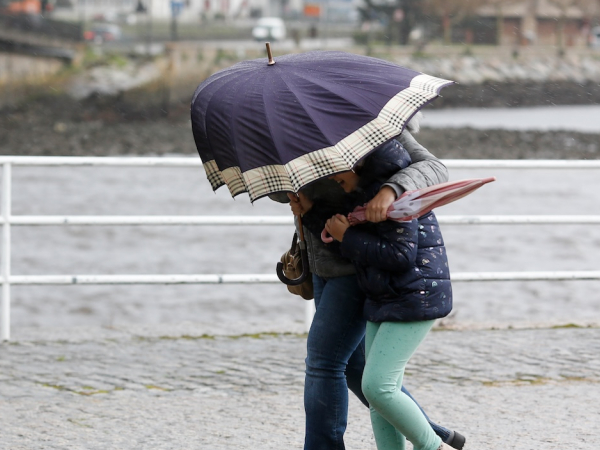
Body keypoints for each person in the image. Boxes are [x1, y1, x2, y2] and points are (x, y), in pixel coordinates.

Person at [281, 121, 465, 450]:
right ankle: (432, 432)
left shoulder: (371, 126)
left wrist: (389, 190)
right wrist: (297, 198)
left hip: (361, 263)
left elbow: (432, 168)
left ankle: (430, 440)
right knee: (359, 371)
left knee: (327, 363)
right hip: (326, 258)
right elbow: (280, 189)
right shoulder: (287, 125)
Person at [317, 140, 453, 450]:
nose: (332, 180)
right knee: (379, 394)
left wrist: (348, 237)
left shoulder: (393, 196)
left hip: (416, 296)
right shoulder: (366, 195)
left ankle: (432, 446)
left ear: (356, 162)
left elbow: (400, 256)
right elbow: (356, 238)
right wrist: (312, 213)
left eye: (336, 173)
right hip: (385, 298)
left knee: (377, 387)